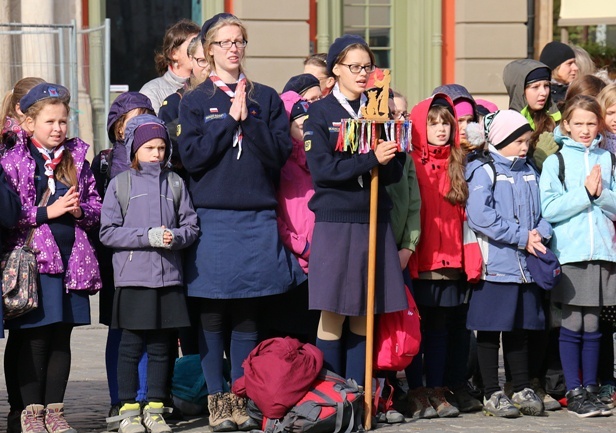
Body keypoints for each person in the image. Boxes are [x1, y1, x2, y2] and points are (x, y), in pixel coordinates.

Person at [177, 13, 301, 432]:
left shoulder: (265, 97)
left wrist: (250, 118)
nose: (234, 48)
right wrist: (229, 118)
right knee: (212, 315)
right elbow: (192, 159)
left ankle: (242, 397)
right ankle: (218, 400)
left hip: (256, 219)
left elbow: (278, 155)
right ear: (209, 49)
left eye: (240, 41)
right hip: (213, 219)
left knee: (248, 315)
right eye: (225, 41)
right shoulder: (193, 101)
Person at [303, 33, 407, 392]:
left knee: (366, 311)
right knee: (334, 310)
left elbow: (391, 174)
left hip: (374, 219)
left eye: (368, 67)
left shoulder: (376, 108)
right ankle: (331, 396)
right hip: (337, 220)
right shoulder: (320, 112)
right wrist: (368, 159)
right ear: (336, 70)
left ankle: (359, 393)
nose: (363, 73)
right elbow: (324, 171)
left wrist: (395, 139)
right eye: (355, 67)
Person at [1, 82, 102, 433]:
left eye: (63, 121)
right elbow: (10, 213)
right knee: (34, 337)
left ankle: (55, 412)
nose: (58, 128)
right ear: (29, 123)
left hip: (71, 262)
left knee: (62, 337)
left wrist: (78, 213)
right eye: (50, 122)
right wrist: (48, 211)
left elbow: (95, 207)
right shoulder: (14, 160)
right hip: (34, 264)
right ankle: (30, 412)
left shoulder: (76, 159)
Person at [100, 114, 199, 433]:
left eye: (161, 147)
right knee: (130, 346)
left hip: (169, 278)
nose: (156, 153)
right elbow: (108, 232)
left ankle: (155, 408)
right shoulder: (120, 184)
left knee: (161, 346)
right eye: (149, 148)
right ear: (133, 150)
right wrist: (147, 236)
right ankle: (128, 408)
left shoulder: (175, 183)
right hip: (133, 279)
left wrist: (176, 238)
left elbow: (191, 226)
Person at [465, 110, 550, 418]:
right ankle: (491, 391)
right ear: (500, 140)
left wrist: (542, 231)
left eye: (527, 141)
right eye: (518, 141)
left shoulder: (530, 170)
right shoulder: (484, 170)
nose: (525, 147)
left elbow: (544, 210)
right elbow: (480, 215)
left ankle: (521, 385)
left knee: (519, 330)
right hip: (495, 267)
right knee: (489, 332)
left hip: (526, 268)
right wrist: (520, 236)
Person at [539, 94, 616, 418]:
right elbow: (550, 209)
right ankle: (574, 389)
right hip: (570, 253)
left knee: (594, 324)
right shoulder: (555, 161)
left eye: (591, 123)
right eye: (578, 124)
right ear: (566, 125)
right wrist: (584, 193)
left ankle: (591, 389)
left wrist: (600, 195)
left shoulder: (607, 158)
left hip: (601, 250)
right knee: (573, 323)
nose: (585, 130)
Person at [405, 94, 481, 418]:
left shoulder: (457, 163)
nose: (440, 129)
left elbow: (467, 221)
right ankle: (416, 391)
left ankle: (437, 388)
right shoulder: (411, 162)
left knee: (441, 329)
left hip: (452, 262)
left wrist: (471, 260)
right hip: (420, 261)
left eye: (445, 124)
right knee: (416, 331)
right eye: (433, 123)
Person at [90, 91, 156, 430]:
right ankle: (121, 399)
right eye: (133, 119)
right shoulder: (103, 162)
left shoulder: (161, 160)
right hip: (115, 262)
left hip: (155, 261)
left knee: (152, 330)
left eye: (147, 116)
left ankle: (150, 398)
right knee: (120, 331)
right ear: (118, 128)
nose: (141, 124)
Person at [0, 76, 46, 433]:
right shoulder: (8, 147)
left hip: (33, 251)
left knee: (27, 335)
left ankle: (24, 410)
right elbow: (10, 209)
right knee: (19, 335)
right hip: (14, 250)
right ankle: (18, 408)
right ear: (20, 111)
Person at [267, 91, 319, 343]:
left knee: (315, 331)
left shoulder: (318, 159)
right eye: (300, 125)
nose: (306, 130)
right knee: (288, 332)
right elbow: (274, 213)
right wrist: (301, 246)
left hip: (320, 259)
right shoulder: (280, 164)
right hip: (292, 261)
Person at [596, 82, 616, 409]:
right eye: (611, 112)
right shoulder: (598, 149)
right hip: (606, 238)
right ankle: (606, 380)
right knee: (606, 316)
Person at [503, 59, 561, 170]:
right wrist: (537, 162)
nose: (543, 92)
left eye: (546, 85)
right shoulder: (507, 126)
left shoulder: (556, 120)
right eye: (535, 87)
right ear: (520, 91)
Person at [139, 19, 201, 114]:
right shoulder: (152, 91)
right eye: (192, 45)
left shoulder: (211, 85)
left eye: (201, 45)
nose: (199, 50)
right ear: (173, 53)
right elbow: (152, 127)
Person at [539, 41, 579, 108]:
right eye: (569, 63)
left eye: (574, 63)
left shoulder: (574, 92)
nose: (575, 68)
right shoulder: (545, 98)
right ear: (555, 67)